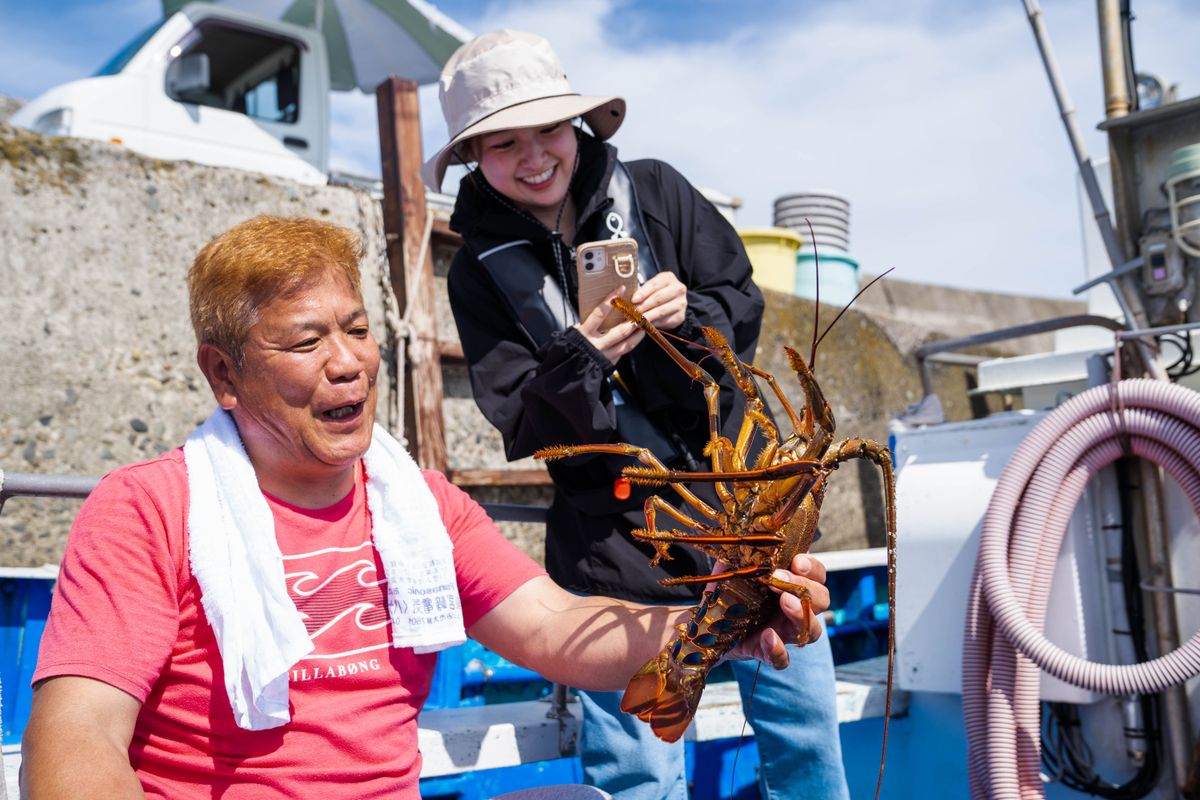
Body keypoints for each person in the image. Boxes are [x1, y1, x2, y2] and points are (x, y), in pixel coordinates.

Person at [18, 215, 827, 800]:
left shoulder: (418, 505)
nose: (350, 365)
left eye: (359, 330)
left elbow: (551, 627)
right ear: (223, 374)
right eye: (305, 344)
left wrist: (729, 626)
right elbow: (75, 740)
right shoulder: (148, 509)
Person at [426, 30, 850, 800]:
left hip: (746, 518)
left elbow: (741, 309)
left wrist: (686, 316)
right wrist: (580, 354)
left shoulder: (656, 190)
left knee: (808, 737)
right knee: (637, 775)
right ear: (472, 156)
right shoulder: (476, 272)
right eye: (502, 142)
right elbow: (520, 423)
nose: (533, 157)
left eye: (548, 129)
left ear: (578, 124)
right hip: (612, 554)